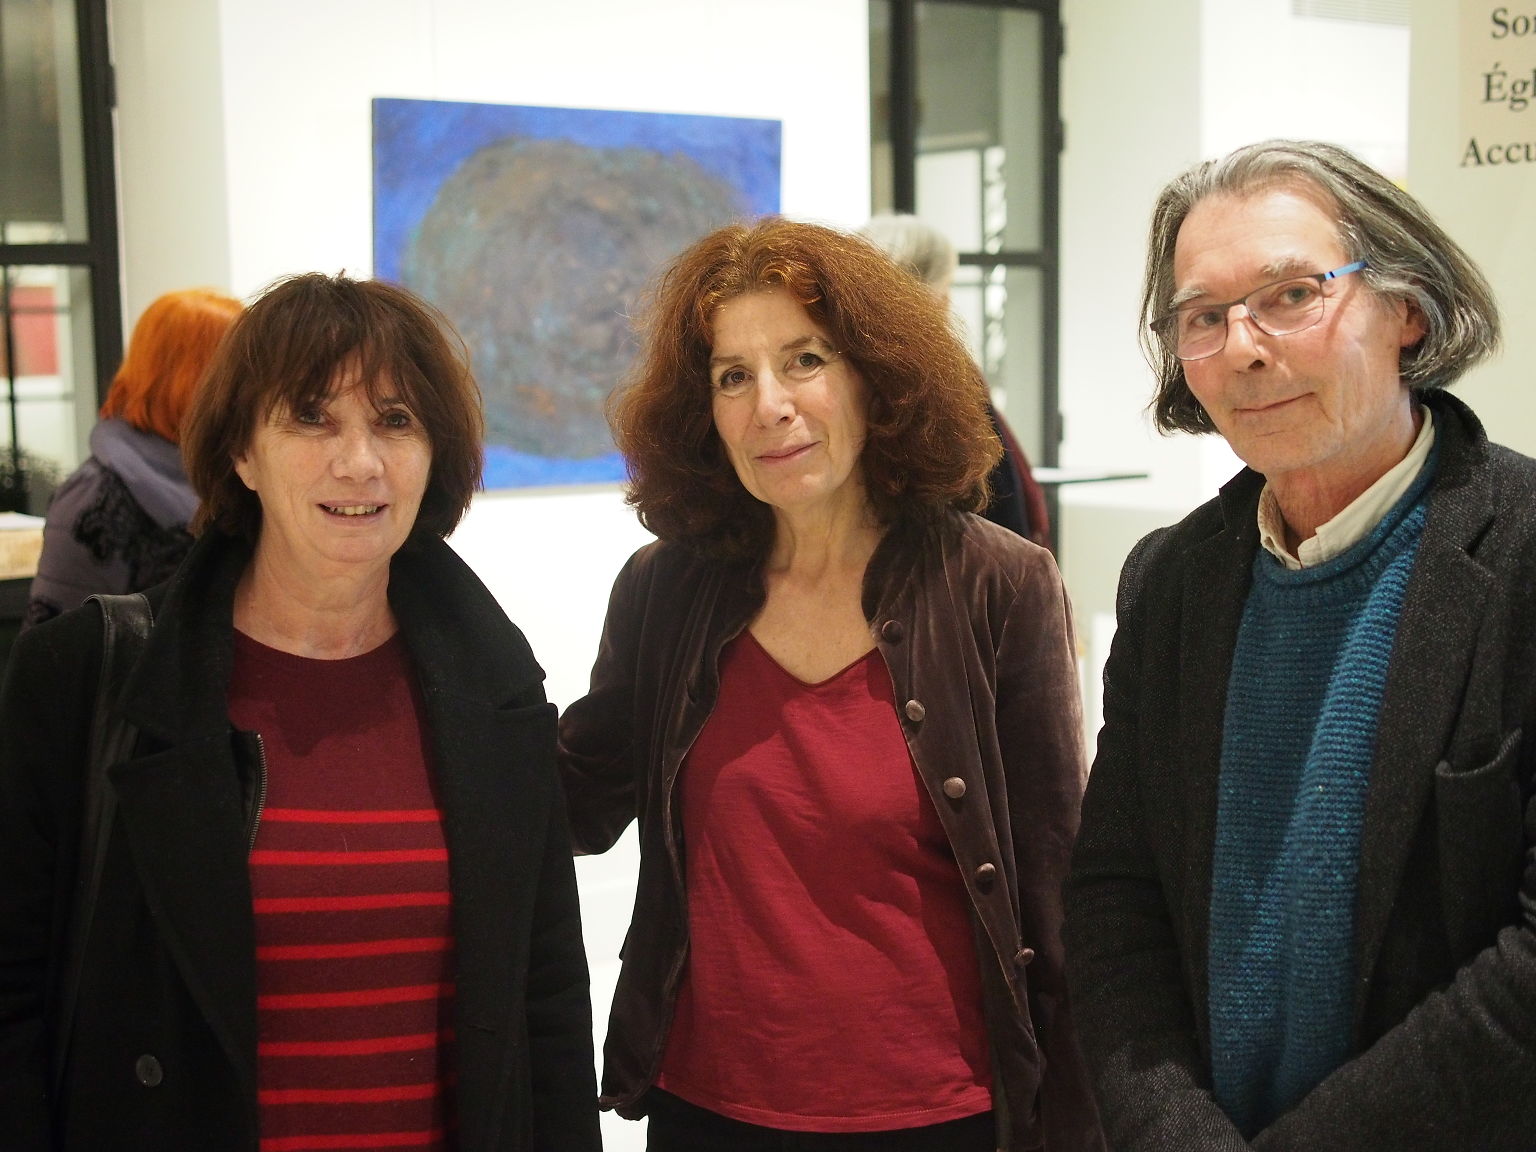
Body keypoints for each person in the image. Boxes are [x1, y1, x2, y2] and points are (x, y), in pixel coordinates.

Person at [0, 273, 601, 1151]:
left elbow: (544, 1005)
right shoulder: (85, 675)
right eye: (312, 417)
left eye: (395, 420)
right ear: (241, 453)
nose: (358, 461)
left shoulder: (496, 689)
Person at [559, 216, 1104, 1151]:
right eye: (732, 376)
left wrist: (1079, 1126)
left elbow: (1056, 886)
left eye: (804, 360)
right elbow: (573, 800)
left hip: (938, 1116)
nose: (769, 405)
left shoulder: (995, 584)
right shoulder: (667, 590)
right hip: (707, 1111)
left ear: (875, 377)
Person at [1062, 139, 1536, 1150]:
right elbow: (1116, 898)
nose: (1243, 347)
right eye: (1203, 316)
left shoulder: (1523, 557)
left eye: (1291, 295)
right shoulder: (1171, 582)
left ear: (1408, 309)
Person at [25, 288, 243, 628]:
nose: (253, 385)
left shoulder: (235, 472)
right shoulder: (95, 495)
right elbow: (55, 638)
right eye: (240, 368)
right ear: (195, 376)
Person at [860, 212, 1052, 549]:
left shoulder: (847, 376)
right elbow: (1000, 496)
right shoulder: (943, 381)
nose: (949, 304)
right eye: (946, 288)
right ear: (922, 295)